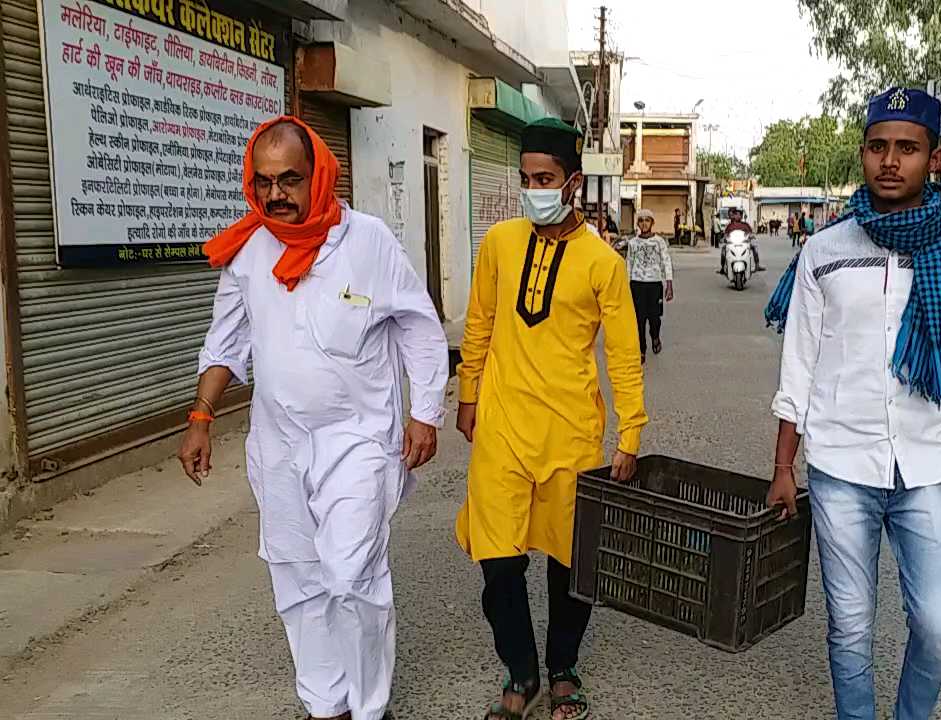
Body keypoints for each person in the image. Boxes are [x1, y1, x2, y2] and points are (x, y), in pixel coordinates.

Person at [177, 117, 449, 720]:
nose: (277, 194)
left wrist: (424, 412)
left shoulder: (368, 241)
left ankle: (371, 706)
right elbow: (224, 343)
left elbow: (418, 325)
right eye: (265, 181)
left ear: (320, 175)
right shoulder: (248, 248)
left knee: (352, 575)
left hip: (358, 440)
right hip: (279, 444)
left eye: (290, 180)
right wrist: (200, 415)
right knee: (298, 580)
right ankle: (325, 705)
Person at [767, 87, 941, 720]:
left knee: (937, 625)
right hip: (840, 465)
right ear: (863, 153)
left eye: (906, 148)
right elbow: (798, 361)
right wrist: (783, 466)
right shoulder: (825, 251)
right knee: (850, 630)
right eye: (878, 147)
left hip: (927, 465)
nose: (890, 161)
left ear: (934, 157)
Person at [455, 117, 647, 720]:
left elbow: (623, 352)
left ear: (572, 183)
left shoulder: (602, 262)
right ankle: (521, 671)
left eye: (545, 177)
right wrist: (468, 394)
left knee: (570, 563)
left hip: (571, 434)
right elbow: (480, 321)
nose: (533, 187)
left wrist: (631, 430)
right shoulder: (500, 244)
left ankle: (563, 666)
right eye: (526, 177)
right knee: (498, 562)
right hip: (503, 426)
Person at [620, 208, 674, 363]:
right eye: (641, 221)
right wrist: (626, 284)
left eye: (647, 220)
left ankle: (655, 336)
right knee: (639, 319)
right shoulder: (633, 243)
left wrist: (669, 284)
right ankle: (641, 349)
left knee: (654, 318)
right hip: (637, 284)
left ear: (652, 223)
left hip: (654, 284)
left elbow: (666, 261)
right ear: (638, 223)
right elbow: (629, 263)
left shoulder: (659, 242)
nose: (644, 224)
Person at [719, 207, 765, 273]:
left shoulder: (745, 225)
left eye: (739, 215)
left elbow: (750, 233)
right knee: (723, 250)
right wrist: (724, 238)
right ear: (734, 216)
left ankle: (757, 265)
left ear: (741, 216)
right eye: (736, 214)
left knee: (755, 248)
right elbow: (726, 234)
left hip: (744, 244)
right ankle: (722, 268)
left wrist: (751, 236)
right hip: (732, 244)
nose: (738, 216)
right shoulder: (730, 226)